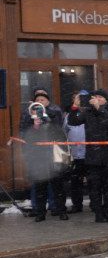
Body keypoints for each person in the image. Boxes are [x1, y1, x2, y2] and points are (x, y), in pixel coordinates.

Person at [66, 89, 108, 223]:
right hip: (92, 156)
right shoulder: (87, 112)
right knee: (94, 187)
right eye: (95, 97)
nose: (97, 99)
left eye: (100, 97)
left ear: (106, 99)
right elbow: (73, 122)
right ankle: (98, 214)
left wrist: (99, 108)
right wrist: (75, 107)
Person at [20, 88, 64, 218]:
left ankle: (60, 210)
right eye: (37, 100)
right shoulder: (28, 117)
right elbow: (25, 134)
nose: (40, 102)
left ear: (48, 102)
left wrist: (46, 118)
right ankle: (40, 212)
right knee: (40, 186)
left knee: (57, 185)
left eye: (42, 100)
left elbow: (59, 130)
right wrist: (34, 123)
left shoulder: (54, 114)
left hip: (54, 154)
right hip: (37, 156)